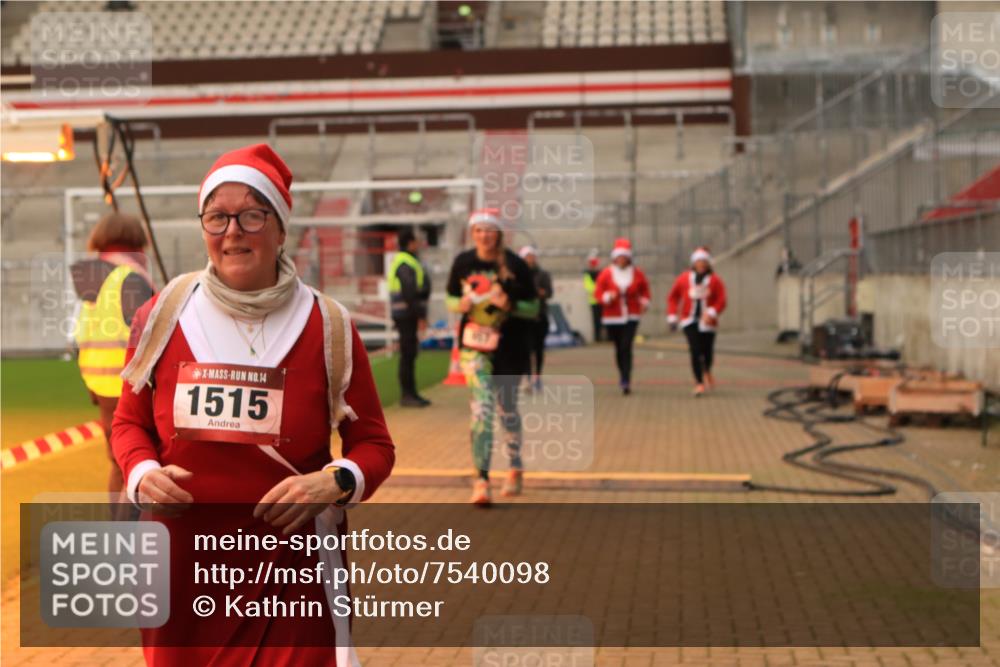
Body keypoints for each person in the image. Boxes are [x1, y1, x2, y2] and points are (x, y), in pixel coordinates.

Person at [112, 144, 395, 665]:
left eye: (251, 214)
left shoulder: (327, 324)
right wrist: (140, 472)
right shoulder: (161, 315)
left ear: (281, 228)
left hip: (293, 568)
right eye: (217, 217)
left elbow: (374, 443)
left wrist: (337, 480)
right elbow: (128, 423)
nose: (233, 231)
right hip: (183, 563)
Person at [446, 209, 538, 505]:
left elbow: (534, 308)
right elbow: (449, 297)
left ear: (499, 233)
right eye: (478, 230)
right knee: (482, 410)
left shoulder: (516, 265)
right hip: (475, 348)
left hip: (510, 347)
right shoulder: (463, 263)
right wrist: (458, 304)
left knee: (507, 408)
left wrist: (509, 304)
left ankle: (514, 465)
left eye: (490, 230)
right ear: (473, 233)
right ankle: (481, 480)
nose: (484, 236)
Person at [71, 212, 154, 514]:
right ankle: (127, 540)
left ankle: (121, 535)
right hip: (128, 386)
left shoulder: (96, 279)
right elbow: (148, 334)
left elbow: (81, 336)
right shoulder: (129, 276)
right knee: (135, 464)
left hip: (101, 386)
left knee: (120, 464)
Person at [667, 246, 728, 397]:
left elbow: (722, 300)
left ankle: (707, 370)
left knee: (707, 352)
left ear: (708, 263)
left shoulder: (715, 280)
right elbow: (673, 297)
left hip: (708, 323)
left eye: (703, 261)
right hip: (689, 320)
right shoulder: (683, 278)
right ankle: (699, 382)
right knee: (695, 350)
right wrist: (672, 315)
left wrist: (712, 312)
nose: (701, 264)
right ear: (693, 263)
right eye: (698, 261)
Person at [593, 238, 650, 395]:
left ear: (628, 258)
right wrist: (607, 296)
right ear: (615, 258)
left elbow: (645, 290)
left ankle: (626, 378)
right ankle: (622, 374)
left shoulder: (637, 273)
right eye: (619, 257)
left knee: (626, 346)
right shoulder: (606, 273)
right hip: (612, 316)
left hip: (632, 315)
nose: (622, 260)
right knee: (619, 348)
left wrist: (645, 302)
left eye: (624, 257)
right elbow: (597, 294)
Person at [389, 227, 431, 407]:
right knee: (408, 354)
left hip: (406, 313)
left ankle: (411, 393)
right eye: (416, 241)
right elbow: (410, 292)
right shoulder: (405, 263)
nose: (419, 244)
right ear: (410, 243)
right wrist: (421, 315)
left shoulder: (407, 261)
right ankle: (407, 395)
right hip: (407, 314)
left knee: (410, 353)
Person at [518, 245, 553, 392]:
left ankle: (537, 376)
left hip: (540, 316)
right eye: (527, 257)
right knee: (526, 349)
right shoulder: (517, 274)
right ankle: (527, 377)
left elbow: (549, 292)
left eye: (532, 256)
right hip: (524, 318)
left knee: (538, 349)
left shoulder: (543, 274)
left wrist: (540, 293)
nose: (530, 259)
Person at [583, 250, 603, 342]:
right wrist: (598, 289)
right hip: (594, 300)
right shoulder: (587, 274)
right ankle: (597, 337)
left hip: (602, 300)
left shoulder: (601, 273)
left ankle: (606, 337)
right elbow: (588, 287)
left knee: (603, 319)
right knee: (596, 320)